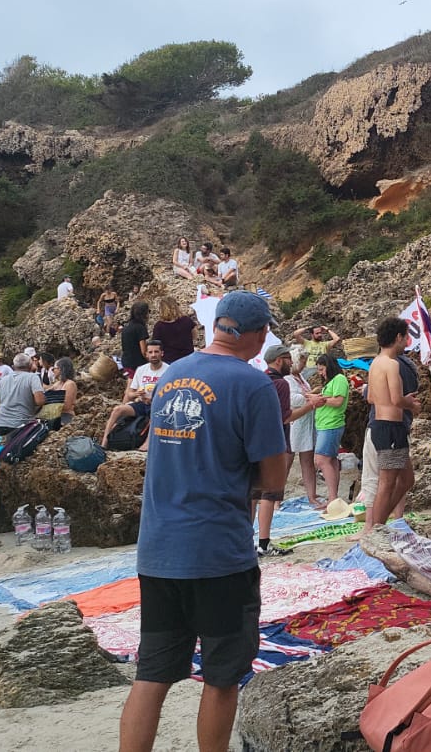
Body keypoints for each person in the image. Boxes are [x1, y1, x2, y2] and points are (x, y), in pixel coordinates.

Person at [118, 291, 287, 751]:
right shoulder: (253, 385)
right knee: (221, 676)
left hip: (158, 550)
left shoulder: (173, 373)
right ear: (257, 334)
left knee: (152, 674)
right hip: (218, 554)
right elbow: (273, 475)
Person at [364, 318, 420, 533]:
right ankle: (376, 529)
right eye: (405, 337)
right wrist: (412, 404)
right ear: (398, 337)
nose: (407, 342)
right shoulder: (392, 364)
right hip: (391, 427)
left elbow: (370, 398)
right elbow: (397, 400)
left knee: (406, 479)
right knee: (387, 483)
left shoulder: (376, 362)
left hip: (380, 425)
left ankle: (380, 522)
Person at [256, 345, 298, 556]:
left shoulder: (259, 379)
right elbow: (285, 417)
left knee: (254, 493)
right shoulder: (281, 383)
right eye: (289, 358)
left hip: (255, 442)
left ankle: (247, 542)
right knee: (269, 494)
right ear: (279, 360)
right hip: (275, 443)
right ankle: (264, 543)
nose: (292, 363)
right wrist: (312, 405)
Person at [100, 342, 166, 448]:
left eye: (156, 352)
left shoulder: (168, 370)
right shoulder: (141, 370)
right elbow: (130, 394)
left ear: (162, 353)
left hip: (158, 404)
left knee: (156, 413)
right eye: (150, 352)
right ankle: (104, 442)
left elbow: (171, 394)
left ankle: (147, 443)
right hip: (142, 403)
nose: (153, 354)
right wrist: (137, 394)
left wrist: (153, 399)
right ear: (146, 354)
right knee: (117, 410)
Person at [308, 354, 349, 508]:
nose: (320, 373)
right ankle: (333, 498)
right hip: (325, 424)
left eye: (322, 369)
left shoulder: (339, 379)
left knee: (321, 460)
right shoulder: (331, 381)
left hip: (331, 424)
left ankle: (332, 498)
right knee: (330, 460)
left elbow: (338, 401)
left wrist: (320, 399)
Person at [284, 364, 321, 508]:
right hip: (295, 422)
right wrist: (311, 397)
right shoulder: (287, 379)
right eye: (302, 361)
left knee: (307, 461)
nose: (304, 365)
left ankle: (311, 495)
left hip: (306, 422)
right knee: (286, 461)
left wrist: (311, 395)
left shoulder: (300, 378)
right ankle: (276, 498)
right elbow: (292, 400)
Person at [0, 353, 46, 437]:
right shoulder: (32, 377)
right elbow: (40, 401)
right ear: (30, 365)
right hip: (21, 425)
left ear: (14, 366)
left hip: (0, 424)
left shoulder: (4, 379)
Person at [150, 295, 198, 364]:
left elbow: (156, 345)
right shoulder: (186, 320)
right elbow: (195, 335)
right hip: (188, 358)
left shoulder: (159, 326)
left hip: (169, 361)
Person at [44, 357, 79, 427]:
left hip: (65, 417)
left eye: (54, 368)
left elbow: (66, 406)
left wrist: (49, 400)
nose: (53, 370)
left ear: (61, 369)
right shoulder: (57, 384)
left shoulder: (70, 384)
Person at [120, 301, 151, 376]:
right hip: (137, 363)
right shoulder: (140, 328)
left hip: (126, 361)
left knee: (131, 383)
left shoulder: (126, 327)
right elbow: (144, 351)